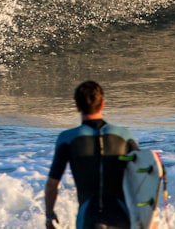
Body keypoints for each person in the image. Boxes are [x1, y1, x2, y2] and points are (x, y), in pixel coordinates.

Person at [44, 81, 138, 229]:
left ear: (77, 107)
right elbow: (142, 176)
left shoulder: (67, 138)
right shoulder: (124, 136)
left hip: (88, 218)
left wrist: (49, 216)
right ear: (102, 104)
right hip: (121, 217)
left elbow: (51, 185)